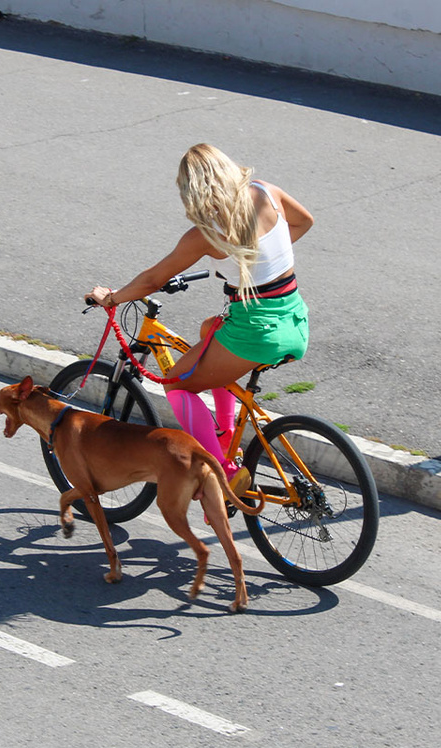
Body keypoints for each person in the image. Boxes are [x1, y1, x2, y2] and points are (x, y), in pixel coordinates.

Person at [85, 143, 314, 494]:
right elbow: (303, 221)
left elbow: (152, 281)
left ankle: (220, 471)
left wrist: (111, 298)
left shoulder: (206, 236)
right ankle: (224, 434)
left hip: (256, 331)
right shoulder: (268, 193)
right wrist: (257, 261)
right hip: (294, 319)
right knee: (210, 329)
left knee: (175, 384)